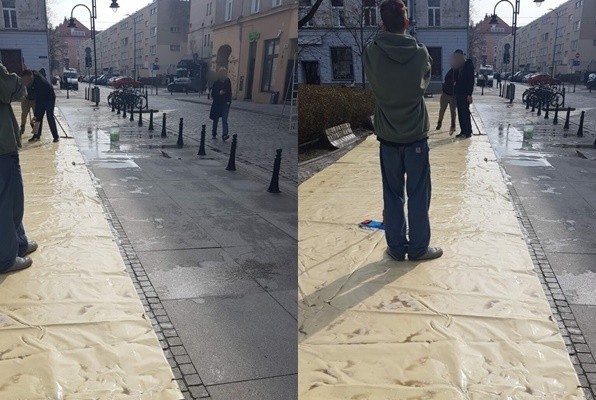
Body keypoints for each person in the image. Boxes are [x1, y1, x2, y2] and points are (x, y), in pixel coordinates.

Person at [363, 0, 442, 261]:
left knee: (392, 195)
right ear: (406, 23)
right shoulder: (420, 53)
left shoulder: (372, 52)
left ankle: (396, 248)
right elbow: (424, 83)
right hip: (416, 136)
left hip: (388, 137)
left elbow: (372, 77)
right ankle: (418, 248)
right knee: (418, 195)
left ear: (383, 23)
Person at [0, 61, 38, 274]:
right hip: (2, 147)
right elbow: (14, 90)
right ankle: (6, 258)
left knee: (11, 201)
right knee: (8, 203)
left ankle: (19, 245)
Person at [22, 69, 59, 143]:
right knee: (38, 117)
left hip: (49, 97)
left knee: (49, 116)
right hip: (40, 98)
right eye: (25, 81)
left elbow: (35, 96)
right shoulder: (29, 80)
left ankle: (55, 136)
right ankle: (36, 135)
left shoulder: (39, 81)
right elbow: (30, 94)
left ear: (31, 76)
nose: (26, 83)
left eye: (28, 81)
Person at [453, 49, 475, 139]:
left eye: (458, 57)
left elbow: (471, 81)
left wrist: (469, 94)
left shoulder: (469, 66)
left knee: (465, 112)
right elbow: (455, 78)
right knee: (460, 112)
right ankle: (463, 130)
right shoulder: (458, 67)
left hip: (466, 93)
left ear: (462, 56)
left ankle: (468, 131)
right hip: (458, 92)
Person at [436, 55, 457, 135]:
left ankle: (453, 126)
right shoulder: (450, 71)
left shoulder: (458, 72)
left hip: (453, 95)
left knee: (453, 112)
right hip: (445, 93)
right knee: (442, 110)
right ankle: (439, 123)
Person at [209, 67, 232, 141]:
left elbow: (229, 92)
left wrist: (229, 101)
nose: (223, 74)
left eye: (224, 73)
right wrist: (219, 93)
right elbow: (213, 94)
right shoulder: (216, 82)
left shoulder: (227, 81)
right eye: (222, 73)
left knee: (224, 120)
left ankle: (224, 134)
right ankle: (214, 133)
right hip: (217, 103)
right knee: (216, 119)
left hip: (225, 103)